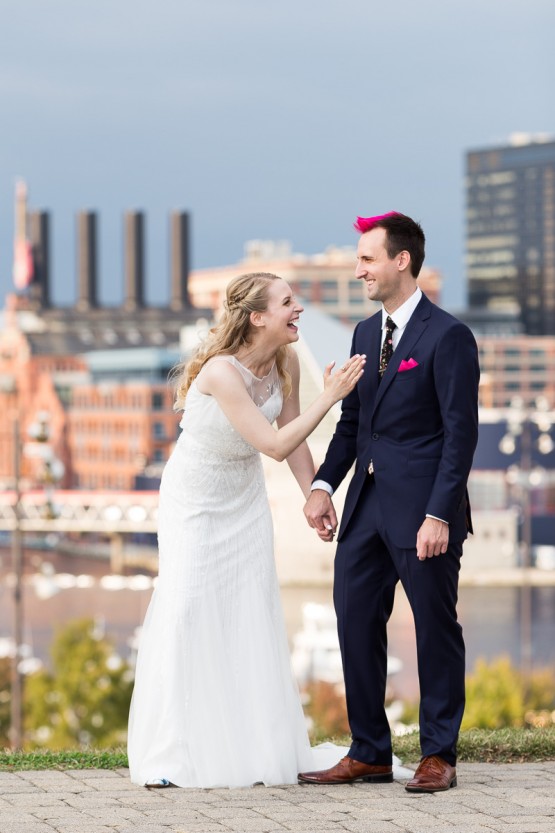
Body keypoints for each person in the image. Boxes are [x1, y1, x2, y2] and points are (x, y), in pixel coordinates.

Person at [127, 271, 367, 789]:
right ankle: (171, 754)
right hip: (195, 501)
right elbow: (273, 443)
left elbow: (295, 440)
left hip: (244, 501)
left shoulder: (285, 364)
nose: (297, 309)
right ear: (257, 316)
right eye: (287, 302)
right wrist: (335, 396)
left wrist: (315, 495)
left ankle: (254, 748)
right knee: (187, 608)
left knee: (249, 610)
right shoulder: (219, 372)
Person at [298, 212, 480, 793]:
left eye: (367, 260)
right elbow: (353, 426)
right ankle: (370, 752)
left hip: (425, 512)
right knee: (353, 625)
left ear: (402, 261)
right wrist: (323, 486)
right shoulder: (360, 334)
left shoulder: (448, 336)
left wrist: (438, 514)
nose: (359, 272)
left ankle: (438, 756)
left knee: (434, 630)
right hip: (364, 509)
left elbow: (461, 436)